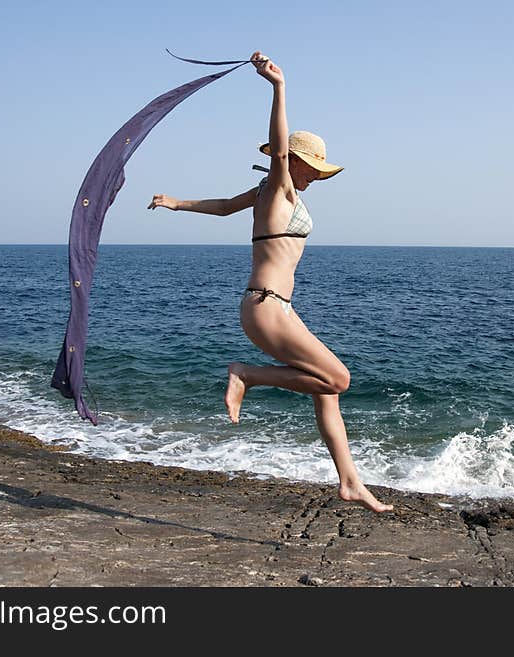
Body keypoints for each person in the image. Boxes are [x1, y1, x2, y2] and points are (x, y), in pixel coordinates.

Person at [148, 51, 392, 513]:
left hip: (270, 307)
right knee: (339, 379)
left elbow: (222, 206)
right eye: (312, 168)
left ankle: (350, 482)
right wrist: (278, 87)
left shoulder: (267, 192)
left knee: (324, 391)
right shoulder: (278, 185)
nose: (316, 177)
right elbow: (278, 148)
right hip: (267, 306)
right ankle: (247, 375)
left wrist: (176, 203)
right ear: (296, 163)